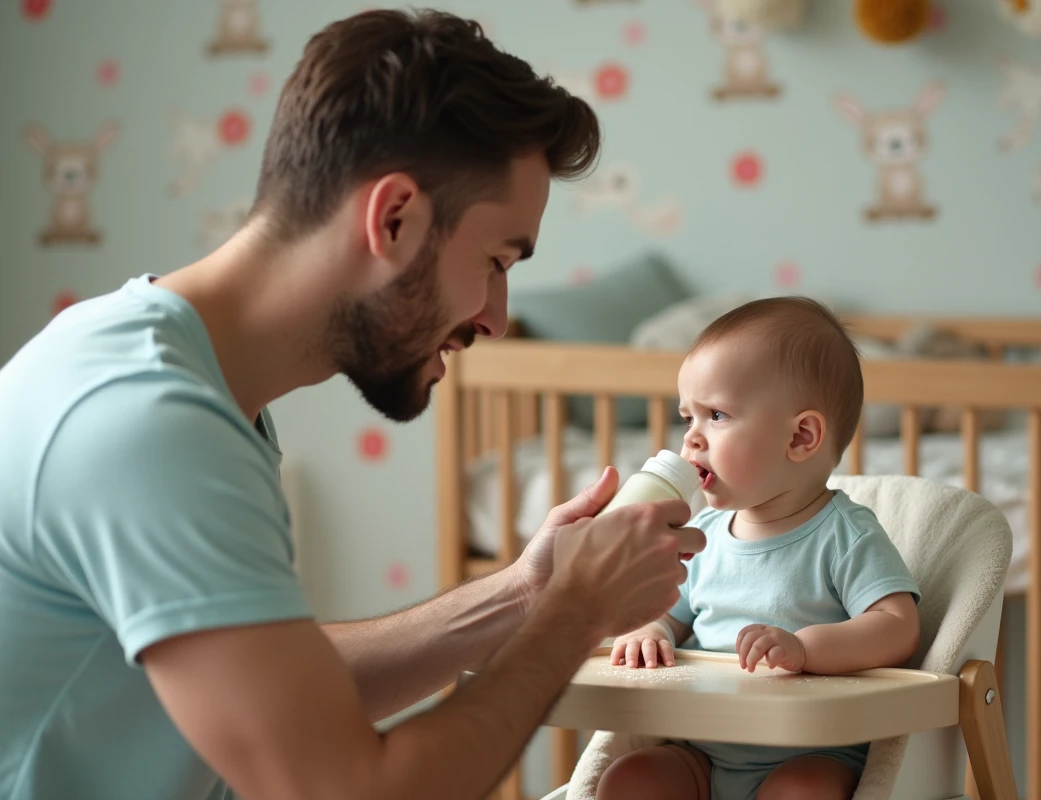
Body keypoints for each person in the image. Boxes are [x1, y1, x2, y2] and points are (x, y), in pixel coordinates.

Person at [0, 9, 706, 800]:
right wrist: (572, 616)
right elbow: (342, 788)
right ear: (394, 218)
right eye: (496, 261)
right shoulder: (147, 424)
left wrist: (524, 595)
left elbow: (274, 695)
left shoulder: (187, 387)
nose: (497, 320)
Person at [596, 297, 922, 800]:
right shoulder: (702, 533)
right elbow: (671, 614)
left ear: (801, 436)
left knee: (804, 793)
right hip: (702, 751)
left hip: (809, 754)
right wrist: (650, 630)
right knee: (629, 780)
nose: (691, 441)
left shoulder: (843, 534)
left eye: (717, 415)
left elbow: (898, 626)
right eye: (688, 418)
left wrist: (804, 649)